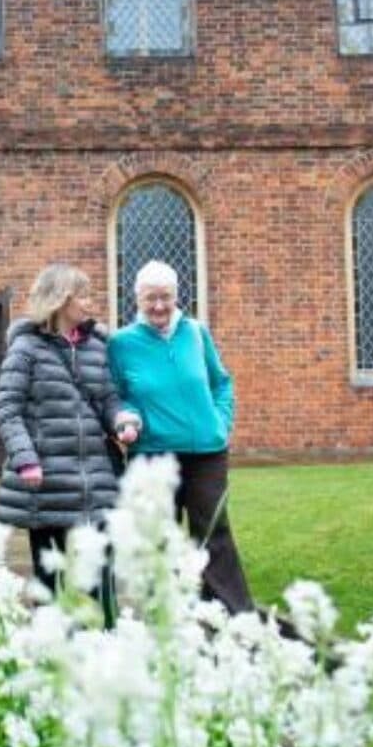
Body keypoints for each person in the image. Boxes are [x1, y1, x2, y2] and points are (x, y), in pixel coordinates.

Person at [0, 263, 141, 621]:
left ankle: (108, 640)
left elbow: (107, 397)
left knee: (101, 569)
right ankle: (49, 648)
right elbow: (8, 410)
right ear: (60, 300)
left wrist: (122, 419)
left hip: (96, 475)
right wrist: (26, 459)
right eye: (83, 295)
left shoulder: (96, 346)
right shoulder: (25, 348)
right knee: (49, 574)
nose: (90, 303)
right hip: (46, 479)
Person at [107, 259, 254, 614]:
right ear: (136, 299)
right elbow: (114, 394)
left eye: (166, 297)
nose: (159, 306)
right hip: (153, 454)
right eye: (150, 298)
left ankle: (230, 614)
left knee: (213, 533)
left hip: (207, 451)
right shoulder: (122, 343)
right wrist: (126, 419)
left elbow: (221, 383)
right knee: (160, 537)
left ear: (176, 296)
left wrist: (220, 423)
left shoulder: (196, 333)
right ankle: (168, 615)